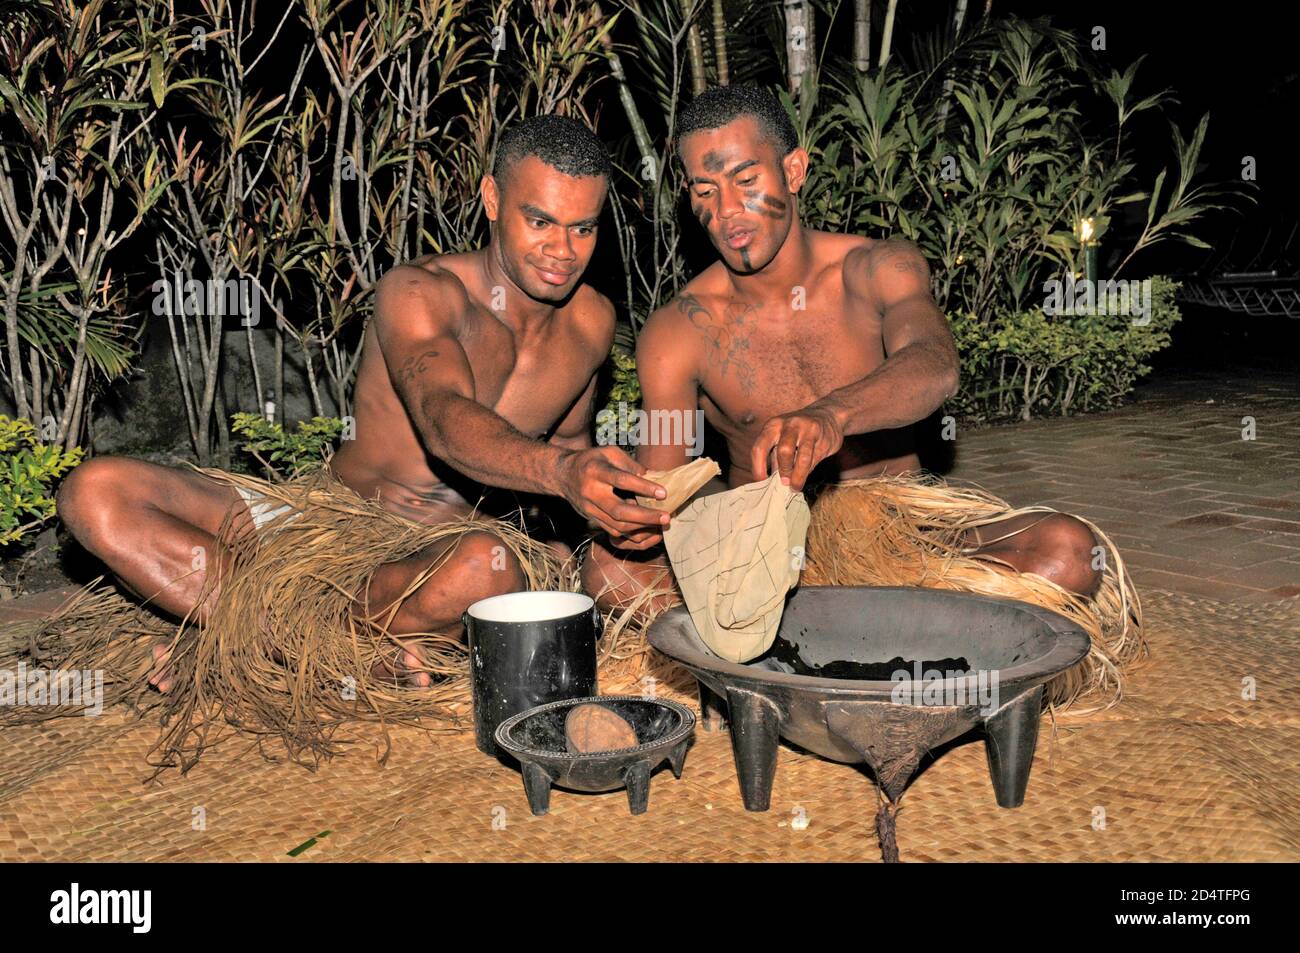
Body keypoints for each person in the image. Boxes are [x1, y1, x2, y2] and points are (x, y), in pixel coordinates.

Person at [56, 114, 669, 692]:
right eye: (540, 221)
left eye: (583, 228)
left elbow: (567, 452)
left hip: (434, 563)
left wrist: (603, 518)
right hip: (318, 524)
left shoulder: (591, 321)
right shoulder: (420, 292)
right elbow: (442, 419)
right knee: (95, 493)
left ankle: (257, 641)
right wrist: (562, 473)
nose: (563, 250)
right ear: (491, 199)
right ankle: (315, 647)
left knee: (489, 565)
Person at [583, 85, 1109, 629]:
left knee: (1067, 551)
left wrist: (832, 415)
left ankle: (848, 639)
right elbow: (664, 487)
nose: (727, 210)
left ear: (792, 170)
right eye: (704, 190)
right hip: (763, 558)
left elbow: (934, 364)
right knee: (611, 573)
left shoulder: (878, 268)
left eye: (745, 180)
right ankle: (864, 634)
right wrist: (637, 510)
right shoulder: (677, 329)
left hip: (901, 536)